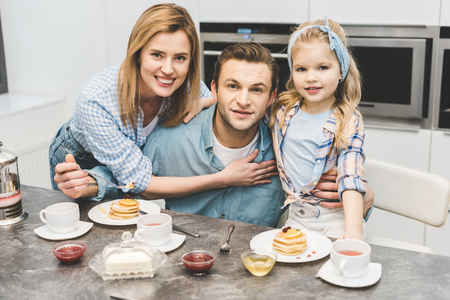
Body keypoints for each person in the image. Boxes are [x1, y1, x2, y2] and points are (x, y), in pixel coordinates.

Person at [50, 3, 277, 202]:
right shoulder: (95, 100)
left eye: (179, 58)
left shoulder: (187, 85)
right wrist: (223, 178)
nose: (168, 70)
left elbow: (227, 102)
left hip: (135, 164)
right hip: (81, 161)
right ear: (138, 53)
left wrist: (209, 101)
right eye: (157, 55)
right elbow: (141, 184)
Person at [269, 18, 367, 240]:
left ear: (341, 70)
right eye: (301, 69)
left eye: (322, 67)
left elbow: (350, 176)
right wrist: (207, 101)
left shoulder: (348, 121)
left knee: (336, 264)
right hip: (297, 218)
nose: (311, 77)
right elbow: (248, 107)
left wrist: (352, 232)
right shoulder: (282, 111)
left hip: (336, 220)